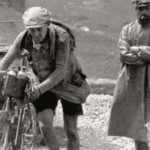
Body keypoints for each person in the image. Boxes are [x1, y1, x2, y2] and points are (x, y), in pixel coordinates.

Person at [0, 7, 90, 150]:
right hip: (43, 83)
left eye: (38, 29)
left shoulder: (62, 37)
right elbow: (5, 62)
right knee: (44, 126)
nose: (35, 34)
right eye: (31, 30)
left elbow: (60, 71)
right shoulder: (24, 38)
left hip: (69, 83)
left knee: (71, 131)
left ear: (47, 25)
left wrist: (39, 90)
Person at [108, 0, 150, 150]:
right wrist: (146, 54)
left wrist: (137, 49)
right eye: (140, 9)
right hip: (133, 83)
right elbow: (124, 55)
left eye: (146, 8)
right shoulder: (127, 30)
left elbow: (131, 52)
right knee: (136, 126)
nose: (143, 12)